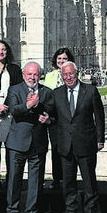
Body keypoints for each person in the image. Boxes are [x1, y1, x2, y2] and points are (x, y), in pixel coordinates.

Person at [48, 61, 104, 213]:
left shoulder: (90, 91)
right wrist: (44, 115)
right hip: (65, 145)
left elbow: (99, 117)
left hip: (86, 144)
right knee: (68, 183)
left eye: (71, 73)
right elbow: (51, 114)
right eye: (65, 75)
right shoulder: (57, 93)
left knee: (89, 182)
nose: (68, 77)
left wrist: (100, 139)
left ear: (77, 73)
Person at [4, 61, 51, 213]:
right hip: (17, 142)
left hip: (38, 143)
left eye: (35, 74)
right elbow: (13, 110)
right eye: (29, 74)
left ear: (40, 75)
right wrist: (28, 105)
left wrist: (48, 119)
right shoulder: (14, 89)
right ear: (24, 74)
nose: (32, 77)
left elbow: (53, 113)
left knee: (35, 181)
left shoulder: (47, 92)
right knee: (14, 179)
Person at [0, 40, 23, 185]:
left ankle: (10, 182)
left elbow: (17, 89)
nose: (1, 52)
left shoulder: (14, 69)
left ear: (7, 52)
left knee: (10, 149)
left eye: (3, 49)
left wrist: (6, 105)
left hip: (10, 112)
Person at [43, 46, 74, 190]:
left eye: (65, 59)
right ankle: (57, 179)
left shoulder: (73, 74)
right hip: (54, 120)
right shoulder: (50, 76)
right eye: (59, 58)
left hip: (69, 119)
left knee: (69, 150)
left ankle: (69, 180)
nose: (62, 61)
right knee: (55, 149)